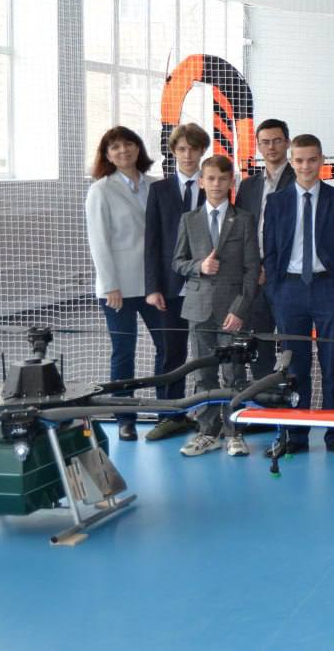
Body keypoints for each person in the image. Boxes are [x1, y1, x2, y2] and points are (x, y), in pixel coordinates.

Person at [263, 134, 334, 460]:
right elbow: (270, 249)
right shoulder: (276, 202)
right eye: (300, 160)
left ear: (322, 161)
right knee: (295, 368)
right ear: (292, 162)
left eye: (312, 159)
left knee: (332, 366)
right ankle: (295, 436)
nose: (306, 166)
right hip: (289, 290)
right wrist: (275, 290)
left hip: (327, 288)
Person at [172, 155, 260, 457]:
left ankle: (235, 432)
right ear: (201, 182)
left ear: (231, 182)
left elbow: (252, 269)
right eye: (210, 178)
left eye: (222, 179)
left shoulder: (244, 219)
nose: (216, 184)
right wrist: (199, 266)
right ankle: (207, 432)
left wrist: (240, 308)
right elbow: (178, 262)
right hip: (198, 310)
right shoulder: (189, 219)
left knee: (234, 373)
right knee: (203, 374)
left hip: (232, 311)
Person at [85, 126, 164, 441]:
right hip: (118, 289)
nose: (123, 151)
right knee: (123, 353)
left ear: (138, 148)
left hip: (154, 285)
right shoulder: (101, 190)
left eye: (128, 144)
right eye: (115, 147)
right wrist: (110, 285)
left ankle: (168, 414)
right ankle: (124, 418)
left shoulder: (156, 185)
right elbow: (99, 241)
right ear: (107, 155)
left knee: (167, 348)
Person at [141, 122, 209, 441]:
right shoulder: (159, 191)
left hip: (206, 285)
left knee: (208, 353)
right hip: (169, 287)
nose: (187, 154)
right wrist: (152, 287)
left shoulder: (214, 184)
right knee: (171, 353)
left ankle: (208, 416)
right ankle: (169, 416)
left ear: (202, 151)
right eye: (181, 149)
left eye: (193, 148)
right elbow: (152, 242)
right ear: (173, 152)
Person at [235, 118, 295, 380]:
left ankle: (291, 398)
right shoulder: (248, 185)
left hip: (286, 276)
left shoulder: (299, 180)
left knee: (291, 342)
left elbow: (296, 235)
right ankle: (263, 397)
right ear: (258, 146)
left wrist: (269, 267)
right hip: (254, 275)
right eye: (265, 142)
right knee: (260, 342)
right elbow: (240, 231)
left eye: (277, 141)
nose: (271, 147)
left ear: (287, 143)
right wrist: (252, 268)